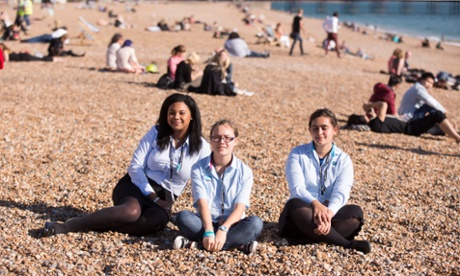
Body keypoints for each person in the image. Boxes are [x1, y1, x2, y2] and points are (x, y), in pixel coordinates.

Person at [42, 93, 211, 237]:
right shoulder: (156, 133)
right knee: (130, 212)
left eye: (182, 113)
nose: (176, 117)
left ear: (192, 116)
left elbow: (205, 182)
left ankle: (101, 225)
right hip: (136, 184)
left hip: (167, 197)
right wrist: (154, 197)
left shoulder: (202, 147)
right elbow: (135, 167)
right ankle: (72, 225)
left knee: (154, 223)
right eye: (171, 113)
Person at [278, 108, 371, 254]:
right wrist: (315, 205)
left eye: (324, 128)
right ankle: (346, 244)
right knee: (294, 205)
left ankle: (303, 240)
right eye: (315, 128)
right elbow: (297, 188)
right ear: (310, 131)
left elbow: (342, 191)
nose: (319, 133)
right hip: (303, 214)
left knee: (355, 213)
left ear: (335, 130)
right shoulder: (297, 153)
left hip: (329, 214)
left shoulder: (343, 159)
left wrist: (329, 213)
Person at [173, 119, 263, 254]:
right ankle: (237, 244)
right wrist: (209, 231)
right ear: (210, 140)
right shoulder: (198, 168)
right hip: (205, 222)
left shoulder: (245, 171)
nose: (222, 142)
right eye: (216, 137)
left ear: (235, 141)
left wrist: (223, 229)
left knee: (256, 223)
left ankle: (198, 245)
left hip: (233, 225)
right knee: (183, 217)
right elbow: (202, 202)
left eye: (227, 138)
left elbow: (240, 207)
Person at [348, 101, 460, 143]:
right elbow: (383, 105)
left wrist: (371, 113)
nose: (365, 115)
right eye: (362, 117)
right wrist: (369, 105)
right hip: (411, 127)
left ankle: (450, 131)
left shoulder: (375, 123)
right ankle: (457, 138)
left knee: (439, 128)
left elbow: (381, 116)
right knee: (437, 114)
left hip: (411, 124)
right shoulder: (375, 124)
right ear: (361, 122)